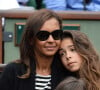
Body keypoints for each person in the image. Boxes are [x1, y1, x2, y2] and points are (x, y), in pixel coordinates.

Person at [0, 9, 72, 90]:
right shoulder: (13, 71)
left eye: (56, 34)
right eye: (43, 35)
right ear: (31, 39)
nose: (51, 40)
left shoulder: (68, 72)